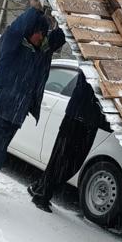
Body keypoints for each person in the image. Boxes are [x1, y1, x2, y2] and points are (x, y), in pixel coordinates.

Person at [0, 0, 65, 192]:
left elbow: (57, 38)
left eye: (43, 34)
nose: (41, 37)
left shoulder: (41, 51)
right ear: (30, 30)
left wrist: (67, 18)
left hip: (14, 116)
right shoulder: (13, 44)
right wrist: (34, 11)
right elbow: (15, 29)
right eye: (39, 32)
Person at [28, 69, 111, 213]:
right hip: (76, 120)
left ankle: (38, 188)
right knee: (61, 161)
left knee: (71, 164)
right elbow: (93, 95)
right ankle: (41, 195)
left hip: (87, 123)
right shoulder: (93, 69)